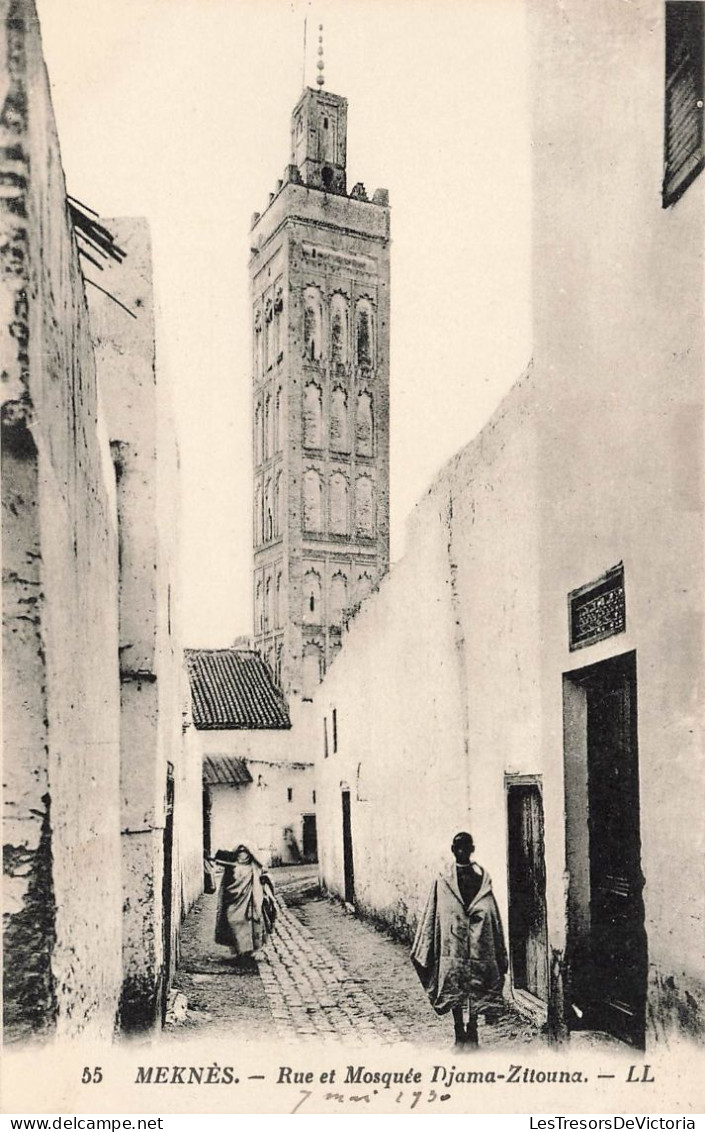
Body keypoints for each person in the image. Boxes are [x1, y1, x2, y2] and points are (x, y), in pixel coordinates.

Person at [411, 832, 508, 1047]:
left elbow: (492, 913)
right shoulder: (443, 881)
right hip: (451, 944)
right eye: (458, 847)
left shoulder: (482, 879)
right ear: (453, 850)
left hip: (478, 943)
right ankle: (458, 1031)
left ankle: (472, 1029)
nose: (463, 851)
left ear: (472, 849)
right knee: (453, 982)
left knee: (476, 983)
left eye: (466, 847)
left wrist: (494, 941)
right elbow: (434, 913)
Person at [210, 844, 277, 961]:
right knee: (234, 921)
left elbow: (266, 877)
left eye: (245, 851)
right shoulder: (232, 867)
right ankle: (239, 950)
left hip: (251, 901)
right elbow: (226, 886)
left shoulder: (255, 868)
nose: (243, 854)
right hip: (234, 902)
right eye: (240, 851)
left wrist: (264, 880)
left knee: (249, 924)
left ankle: (250, 951)